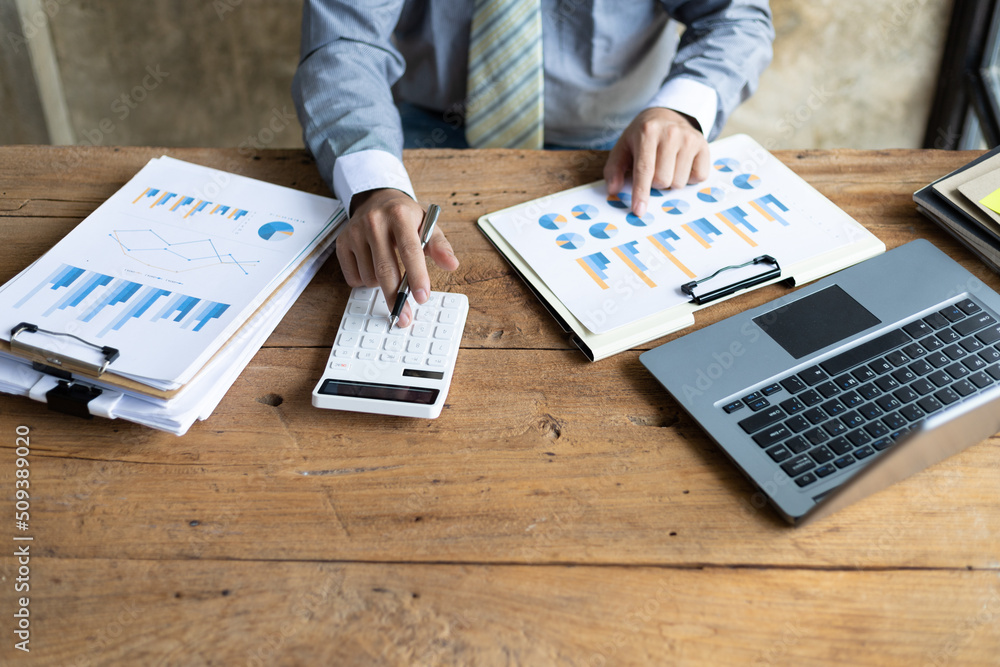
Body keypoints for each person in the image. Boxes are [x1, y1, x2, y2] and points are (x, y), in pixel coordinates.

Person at [293, 1, 774, 327]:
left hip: (617, 141)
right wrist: (374, 185)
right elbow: (344, 42)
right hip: (412, 133)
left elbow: (736, 17)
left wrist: (681, 109)